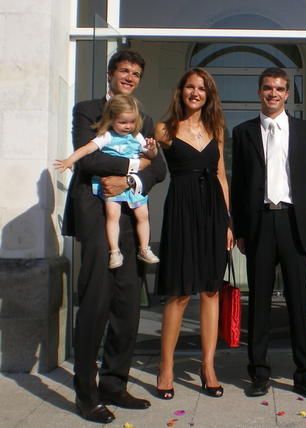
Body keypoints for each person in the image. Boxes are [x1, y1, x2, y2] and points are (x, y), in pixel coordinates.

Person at [62, 50, 166, 423]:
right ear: (110, 73)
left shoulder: (144, 118)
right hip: (95, 218)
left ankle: (113, 384)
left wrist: (130, 180)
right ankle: (86, 394)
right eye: (124, 70)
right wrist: (135, 164)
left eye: (136, 73)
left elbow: (160, 168)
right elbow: (88, 159)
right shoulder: (87, 110)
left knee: (127, 306)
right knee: (94, 304)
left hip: (129, 222)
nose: (130, 77)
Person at [231, 67, 306, 399]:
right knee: (258, 302)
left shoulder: (305, 130)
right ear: (259, 92)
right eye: (268, 88)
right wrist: (239, 228)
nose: (273, 93)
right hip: (259, 223)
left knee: (299, 302)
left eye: (279, 88)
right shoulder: (243, 132)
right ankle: (259, 373)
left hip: (294, 222)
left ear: (287, 94)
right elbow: (239, 183)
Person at [154, 68, 233, 399]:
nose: (195, 92)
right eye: (190, 86)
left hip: (213, 212)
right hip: (181, 212)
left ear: (208, 94)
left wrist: (228, 221)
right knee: (180, 292)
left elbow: (221, 176)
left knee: (211, 291)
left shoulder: (216, 128)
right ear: (181, 91)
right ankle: (166, 367)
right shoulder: (164, 129)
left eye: (202, 88)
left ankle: (208, 366)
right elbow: (147, 164)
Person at [55, 94, 160, 269]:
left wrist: (152, 149)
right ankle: (114, 251)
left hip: (131, 184)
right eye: (123, 122)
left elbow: (151, 156)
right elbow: (86, 149)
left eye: (132, 122)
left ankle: (144, 248)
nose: (128, 126)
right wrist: (69, 160)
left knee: (143, 215)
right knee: (112, 215)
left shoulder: (137, 136)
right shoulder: (107, 136)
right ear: (111, 120)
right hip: (111, 184)